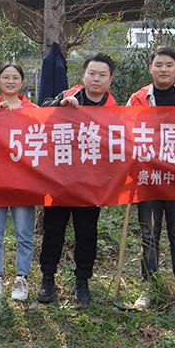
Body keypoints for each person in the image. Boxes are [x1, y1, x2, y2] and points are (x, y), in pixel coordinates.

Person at [37, 53, 118, 305]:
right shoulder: (68, 96)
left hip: (91, 184)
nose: (96, 78)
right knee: (53, 229)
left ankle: (82, 280)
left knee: (87, 233)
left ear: (110, 80)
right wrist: (59, 104)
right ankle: (47, 278)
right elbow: (39, 114)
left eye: (102, 74)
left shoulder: (115, 111)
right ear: (83, 76)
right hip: (59, 180)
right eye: (92, 73)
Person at [126, 46, 175, 311]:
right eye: (159, 65)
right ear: (150, 68)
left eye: (169, 65)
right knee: (149, 236)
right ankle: (148, 288)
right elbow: (125, 134)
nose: (164, 69)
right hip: (148, 180)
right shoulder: (138, 99)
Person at [0, 63, 36, 301]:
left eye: (15, 77)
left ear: (22, 82)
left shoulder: (33, 110)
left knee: (24, 232)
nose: (11, 81)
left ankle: (22, 277)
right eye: (6, 77)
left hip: (23, 182)